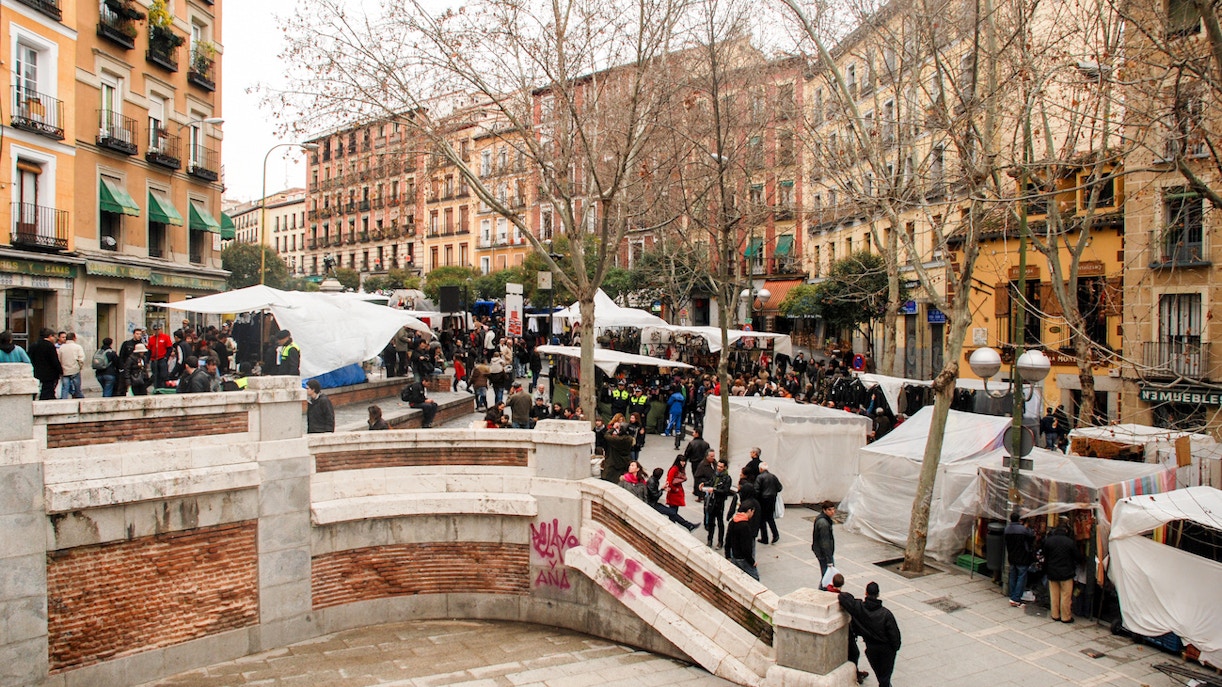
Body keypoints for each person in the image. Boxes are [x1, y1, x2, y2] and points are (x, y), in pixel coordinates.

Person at [838, 582, 902, 687]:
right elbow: (895, 636)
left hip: (871, 648)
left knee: (880, 674)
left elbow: (843, 596)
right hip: (886, 650)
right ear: (878, 594)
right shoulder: (886, 614)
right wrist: (894, 648)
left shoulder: (859, 608)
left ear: (866, 593)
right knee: (885, 676)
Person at [1041, 520, 1082, 623]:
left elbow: (1045, 555)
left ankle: (1055, 614)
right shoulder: (1070, 542)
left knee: (1054, 594)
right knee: (1066, 595)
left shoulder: (1049, 541)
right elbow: (1077, 557)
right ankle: (1065, 617)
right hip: (1066, 573)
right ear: (1066, 530)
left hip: (1052, 571)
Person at [647, 463, 698, 531]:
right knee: (672, 513)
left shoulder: (653, 481)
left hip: (653, 502)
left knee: (672, 513)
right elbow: (655, 495)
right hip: (652, 504)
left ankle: (688, 526)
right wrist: (662, 490)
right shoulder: (653, 482)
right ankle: (688, 525)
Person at [1004, 511, 1036, 607]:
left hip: (1012, 556)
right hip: (1022, 557)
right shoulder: (1023, 530)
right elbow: (1032, 536)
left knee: (1013, 575)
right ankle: (1016, 598)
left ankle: (1012, 595)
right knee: (1021, 577)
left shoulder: (1007, 529)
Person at [724, 503, 759, 581]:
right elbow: (746, 547)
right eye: (753, 512)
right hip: (743, 558)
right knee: (755, 579)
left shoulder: (733, 521)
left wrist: (728, 555)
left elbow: (728, 540)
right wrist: (752, 561)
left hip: (734, 556)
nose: (753, 514)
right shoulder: (745, 526)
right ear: (749, 511)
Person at [703, 459, 733, 549]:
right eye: (718, 466)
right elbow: (711, 482)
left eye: (721, 467)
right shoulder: (715, 475)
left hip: (719, 502)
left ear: (725, 468)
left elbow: (725, 491)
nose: (719, 468)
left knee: (720, 522)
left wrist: (715, 490)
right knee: (711, 522)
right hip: (712, 500)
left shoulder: (727, 478)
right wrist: (704, 484)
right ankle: (709, 540)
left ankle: (720, 541)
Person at [28, 328, 62, 400]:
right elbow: (54, 360)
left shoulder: (34, 345)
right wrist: (60, 370)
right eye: (54, 337)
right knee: (48, 391)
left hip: (36, 371)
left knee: (36, 389)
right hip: (49, 373)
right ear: (50, 336)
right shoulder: (50, 346)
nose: (54, 339)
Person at [755, 462, 783, 545]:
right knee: (770, 518)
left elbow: (756, 489)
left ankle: (765, 538)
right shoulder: (773, 476)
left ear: (760, 469)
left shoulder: (759, 477)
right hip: (772, 499)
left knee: (762, 519)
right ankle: (775, 534)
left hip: (763, 500)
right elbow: (779, 487)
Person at [811, 501, 837, 584]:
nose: (832, 512)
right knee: (827, 576)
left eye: (833, 509)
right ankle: (822, 590)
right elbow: (825, 542)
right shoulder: (824, 523)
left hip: (821, 551)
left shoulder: (823, 519)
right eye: (829, 510)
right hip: (824, 553)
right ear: (824, 510)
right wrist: (829, 560)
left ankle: (823, 588)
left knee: (826, 575)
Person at [56, 332, 86, 399]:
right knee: (77, 388)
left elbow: (59, 358)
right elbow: (81, 359)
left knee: (65, 388)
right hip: (75, 369)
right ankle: (78, 399)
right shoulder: (77, 347)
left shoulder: (61, 347)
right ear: (74, 338)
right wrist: (80, 367)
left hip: (65, 370)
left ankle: (64, 401)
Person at [116, 328, 144, 397]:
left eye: (140, 334)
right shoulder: (127, 344)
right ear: (133, 334)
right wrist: (122, 367)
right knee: (123, 387)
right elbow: (121, 356)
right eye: (137, 334)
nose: (139, 336)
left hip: (137, 370)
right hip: (127, 368)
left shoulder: (142, 345)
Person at [146, 323, 173, 388]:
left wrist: (166, 357)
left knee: (163, 375)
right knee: (155, 376)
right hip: (154, 360)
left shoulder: (165, 337)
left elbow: (169, 348)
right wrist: (147, 361)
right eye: (155, 330)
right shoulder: (151, 339)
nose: (157, 331)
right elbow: (149, 350)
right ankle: (156, 387)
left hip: (162, 359)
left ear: (161, 329)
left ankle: (164, 388)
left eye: (158, 329)